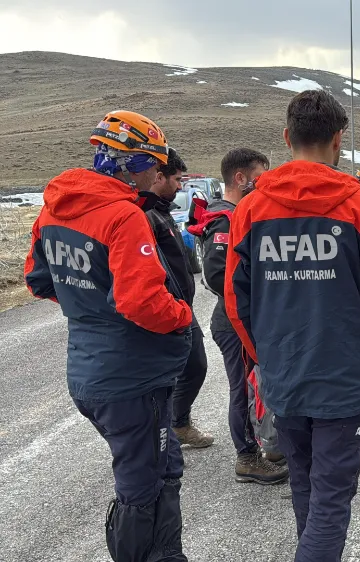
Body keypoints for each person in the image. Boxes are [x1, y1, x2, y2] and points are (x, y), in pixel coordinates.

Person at [224, 89, 360, 561]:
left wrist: (265, 357)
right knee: (330, 501)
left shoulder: (250, 209)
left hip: (284, 377)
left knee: (307, 486)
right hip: (344, 381)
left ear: (288, 138)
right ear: (338, 139)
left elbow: (236, 303)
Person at [24, 110, 193, 561]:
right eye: (155, 164)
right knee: (143, 486)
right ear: (136, 163)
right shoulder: (122, 215)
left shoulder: (54, 209)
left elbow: (38, 280)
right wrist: (181, 316)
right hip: (132, 377)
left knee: (164, 465)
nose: (158, 173)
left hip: (90, 370)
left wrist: (90, 307)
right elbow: (141, 302)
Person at [187, 147, 288, 484]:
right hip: (234, 321)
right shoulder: (224, 219)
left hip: (247, 318)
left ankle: (268, 444)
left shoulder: (241, 213)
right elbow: (217, 274)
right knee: (243, 389)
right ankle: (247, 457)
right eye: (259, 178)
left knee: (258, 385)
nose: (264, 184)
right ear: (241, 178)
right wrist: (258, 296)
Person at [139, 148, 213, 449]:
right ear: (159, 177)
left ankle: (176, 424)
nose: (181, 186)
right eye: (177, 180)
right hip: (168, 309)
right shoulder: (146, 216)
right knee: (178, 371)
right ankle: (166, 432)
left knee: (194, 367)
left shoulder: (161, 211)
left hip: (182, 306)